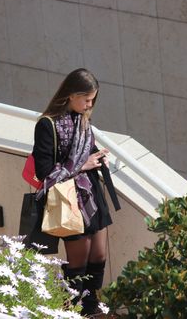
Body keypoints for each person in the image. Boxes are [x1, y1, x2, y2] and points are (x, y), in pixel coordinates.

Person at [32, 68, 119, 317]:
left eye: (93, 99)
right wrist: (82, 165)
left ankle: (92, 311)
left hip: (91, 194)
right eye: (87, 99)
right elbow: (44, 171)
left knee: (99, 256)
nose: (90, 104)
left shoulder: (83, 119)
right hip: (69, 198)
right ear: (71, 95)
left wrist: (97, 158)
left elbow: (86, 150)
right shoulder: (47, 125)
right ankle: (74, 312)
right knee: (78, 263)